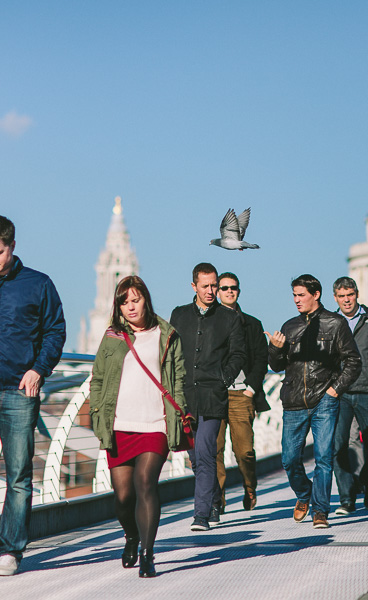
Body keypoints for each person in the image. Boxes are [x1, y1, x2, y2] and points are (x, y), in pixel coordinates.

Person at [90, 276, 189, 578]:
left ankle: (148, 553)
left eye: (136, 300)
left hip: (155, 424)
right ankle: (131, 536)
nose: (131, 307)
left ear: (146, 299)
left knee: (146, 483)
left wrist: (181, 412)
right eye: (124, 302)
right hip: (119, 424)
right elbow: (97, 378)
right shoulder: (112, 337)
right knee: (123, 497)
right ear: (118, 306)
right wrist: (97, 414)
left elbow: (179, 378)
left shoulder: (167, 334)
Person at [267, 274, 361, 530]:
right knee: (289, 459)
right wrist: (274, 348)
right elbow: (276, 366)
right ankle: (304, 494)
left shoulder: (336, 323)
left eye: (301, 295)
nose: (297, 300)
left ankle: (320, 510)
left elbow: (353, 361)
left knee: (323, 458)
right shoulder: (289, 326)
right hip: (294, 401)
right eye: (294, 295)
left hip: (324, 401)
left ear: (316, 294)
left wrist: (335, 391)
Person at [0, 216, 66, 577]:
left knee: (18, 474)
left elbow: (55, 330)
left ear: (11, 246)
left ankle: (10, 551)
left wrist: (39, 369)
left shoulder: (38, 285)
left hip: (18, 391)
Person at [170, 263, 246, 532]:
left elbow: (239, 354)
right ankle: (213, 499)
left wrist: (223, 378)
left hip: (213, 397)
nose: (212, 291)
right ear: (194, 287)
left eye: (215, 285)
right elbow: (170, 352)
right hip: (184, 398)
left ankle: (200, 515)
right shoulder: (179, 315)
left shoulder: (229, 318)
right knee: (194, 456)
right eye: (206, 286)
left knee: (205, 453)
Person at [214, 272, 269, 512]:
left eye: (232, 287)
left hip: (241, 395)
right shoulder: (210, 323)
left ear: (238, 290)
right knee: (214, 450)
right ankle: (218, 500)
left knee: (244, 451)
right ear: (217, 291)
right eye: (224, 288)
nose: (229, 291)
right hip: (214, 395)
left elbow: (260, 360)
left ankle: (249, 486)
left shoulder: (252, 324)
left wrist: (251, 389)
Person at [331, 276, 368, 514]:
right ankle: (347, 497)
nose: (346, 300)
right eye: (341, 297)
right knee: (339, 445)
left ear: (357, 294)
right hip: (340, 393)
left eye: (349, 295)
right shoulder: (330, 322)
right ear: (335, 298)